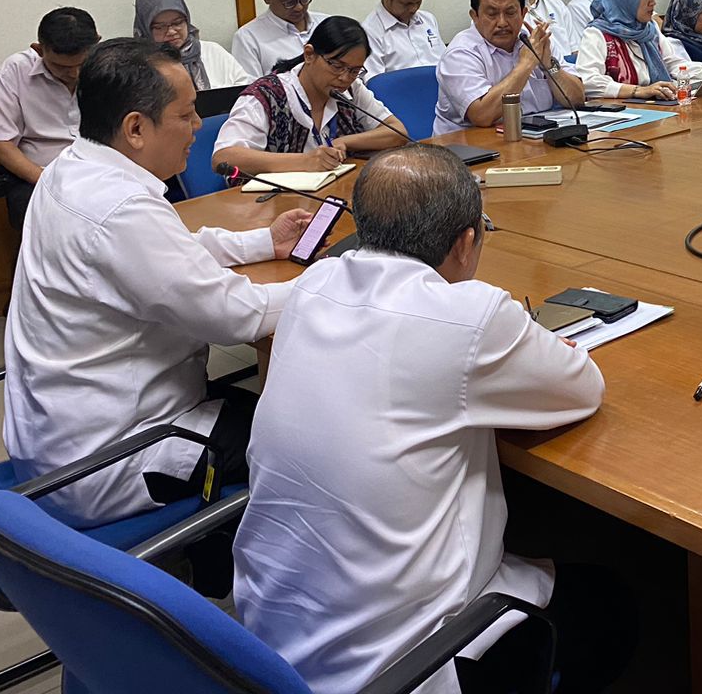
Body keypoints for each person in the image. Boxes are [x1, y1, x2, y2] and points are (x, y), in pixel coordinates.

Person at [233, 145, 612, 694]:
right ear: (465, 242)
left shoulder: (313, 286)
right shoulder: (472, 315)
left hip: (268, 644)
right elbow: (582, 389)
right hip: (403, 666)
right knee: (612, 607)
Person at [3, 38, 311, 525]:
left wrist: (261, 245)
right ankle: (238, 573)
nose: (197, 129)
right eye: (187, 115)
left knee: (281, 409)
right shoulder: (118, 207)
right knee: (310, 442)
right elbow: (236, 315)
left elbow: (168, 250)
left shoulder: (74, 168)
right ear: (135, 128)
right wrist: (337, 281)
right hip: (114, 456)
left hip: (65, 430)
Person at [214, 16, 408, 178]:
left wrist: (346, 141)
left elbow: (397, 132)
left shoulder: (351, 90)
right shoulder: (266, 96)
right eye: (337, 66)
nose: (344, 78)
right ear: (309, 54)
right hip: (275, 205)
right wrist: (305, 161)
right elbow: (223, 158)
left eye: (354, 70)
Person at [0, 7, 99, 229]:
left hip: (97, 170)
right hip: (39, 173)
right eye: (61, 66)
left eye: (82, 64)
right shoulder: (15, 70)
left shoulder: (108, 66)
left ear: (97, 43)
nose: (75, 74)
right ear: (39, 50)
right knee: (33, 213)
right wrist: (45, 180)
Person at [433, 0, 586, 134]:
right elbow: (482, 116)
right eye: (492, 14)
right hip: (470, 147)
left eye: (510, 13)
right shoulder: (460, 53)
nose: (502, 23)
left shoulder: (535, 40)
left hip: (533, 137)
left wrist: (549, 65)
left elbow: (577, 100)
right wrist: (526, 65)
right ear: (475, 16)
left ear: (523, 13)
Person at [574, 0, 702, 100]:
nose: (653, 2)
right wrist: (638, 91)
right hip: (624, 112)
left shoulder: (649, 29)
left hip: (655, 107)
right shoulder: (597, 33)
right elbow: (587, 81)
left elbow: (672, 63)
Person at [133, 0, 249, 90]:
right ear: (145, 29)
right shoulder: (140, 65)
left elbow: (244, 88)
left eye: (177, 23)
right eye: (160, 27)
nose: (171, 31)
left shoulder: (212, 51)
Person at [231, 0, 328, 75]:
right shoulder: (248, 38)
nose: (299, 7)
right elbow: (250, 90)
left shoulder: (326, 24)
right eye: (289, 2)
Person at [362, 0, 445, 74]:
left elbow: (445, 62)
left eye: (418, 2)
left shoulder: (428, 20)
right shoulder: (370, 32)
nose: (414, 9)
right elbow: (375, 82)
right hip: (401, 91)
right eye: (407, 4)